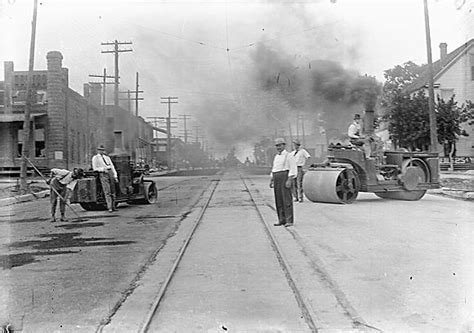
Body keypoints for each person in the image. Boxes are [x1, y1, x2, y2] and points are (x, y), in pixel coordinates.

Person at [269, 138, 297, 227]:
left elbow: (293, 168)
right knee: (279, 200)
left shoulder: (289, 156)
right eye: (277, 146)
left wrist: (289, 180)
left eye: (280, 145)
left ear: (284, 145)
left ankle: (289, 220)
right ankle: (281, 219)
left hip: (285, 177)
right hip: (276, 177)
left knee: (286, 200)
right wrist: (271, 179)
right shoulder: (276, 156)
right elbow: (274, 168)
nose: (278, 147)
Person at [92, 145, 118, 212]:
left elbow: (112, 166)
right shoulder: (95, 158)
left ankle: (113, 206)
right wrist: (103, 169)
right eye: (100, 150)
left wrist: (115, 176)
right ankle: (109, 207)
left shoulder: (107, 157)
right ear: (98, 150)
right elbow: (95, 168)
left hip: (110, 173)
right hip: (103, 174)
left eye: (103, 150)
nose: (102, 151)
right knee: (107, 191)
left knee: (113, 191)